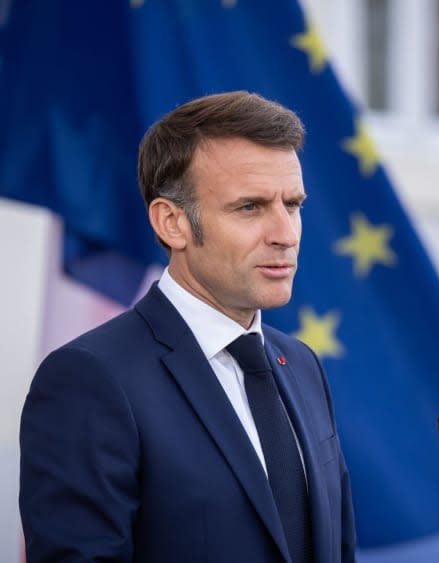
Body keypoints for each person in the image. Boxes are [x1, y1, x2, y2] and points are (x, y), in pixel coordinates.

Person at [19, 91, 357, 562]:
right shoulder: (90, 378)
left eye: (293, 204)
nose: (286, 233)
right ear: (172, 223)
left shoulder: (301, 365)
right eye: (250, 207)